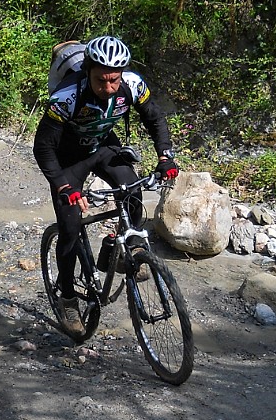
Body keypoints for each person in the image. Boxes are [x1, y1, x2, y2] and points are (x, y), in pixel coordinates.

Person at [33, 35, 179, 333]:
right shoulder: (66, 97)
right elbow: (43, 148)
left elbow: (155, 119)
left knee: (132, 191)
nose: (109, 87)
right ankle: (68, 298)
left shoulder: (132, 85)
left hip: (101, 146)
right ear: (88, 71)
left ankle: (118, 250)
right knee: (71, 229)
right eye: (101, 81)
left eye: (114, 80)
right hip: (67, 157)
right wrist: (64, 186)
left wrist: (165, 157)